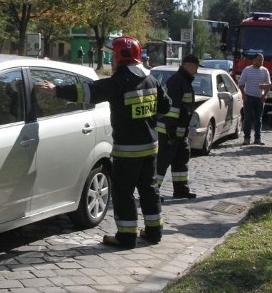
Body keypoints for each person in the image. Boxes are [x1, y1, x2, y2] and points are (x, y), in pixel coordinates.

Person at [38, 36, 171, 248]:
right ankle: (155, 232)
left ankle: (126, 236)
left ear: (120, 57)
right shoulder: (152, 80)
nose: (111, 60)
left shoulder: (119, 82)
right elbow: (166, 107)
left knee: (123, 192)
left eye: (113, 56)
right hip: (150, 148)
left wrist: (56, 90)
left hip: (127, 152)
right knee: (149, 190)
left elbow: (89, 92)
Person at [155, 54, 199, 200]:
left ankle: (181, 190)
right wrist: (172, 131)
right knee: (162, 162)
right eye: (195, 67)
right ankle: (152, 192)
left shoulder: (183, 80)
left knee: (181, 160)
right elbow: (171, 109)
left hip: (180, 133)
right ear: (187, 66)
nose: (197, 71)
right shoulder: (177, 81)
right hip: (169, 132)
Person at [236, 53, 271, 145]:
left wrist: (265, 95)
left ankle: (258, 138)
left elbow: (268, 85)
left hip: (260, 98)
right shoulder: (247, 70)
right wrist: (243, 95)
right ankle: (246, 138)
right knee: (247, 118)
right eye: (259, 60)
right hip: (249, 96)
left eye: (262, 60)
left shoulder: (265, 71)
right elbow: (241, 83)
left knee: (258, 119)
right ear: (254, 60)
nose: (261, 62)